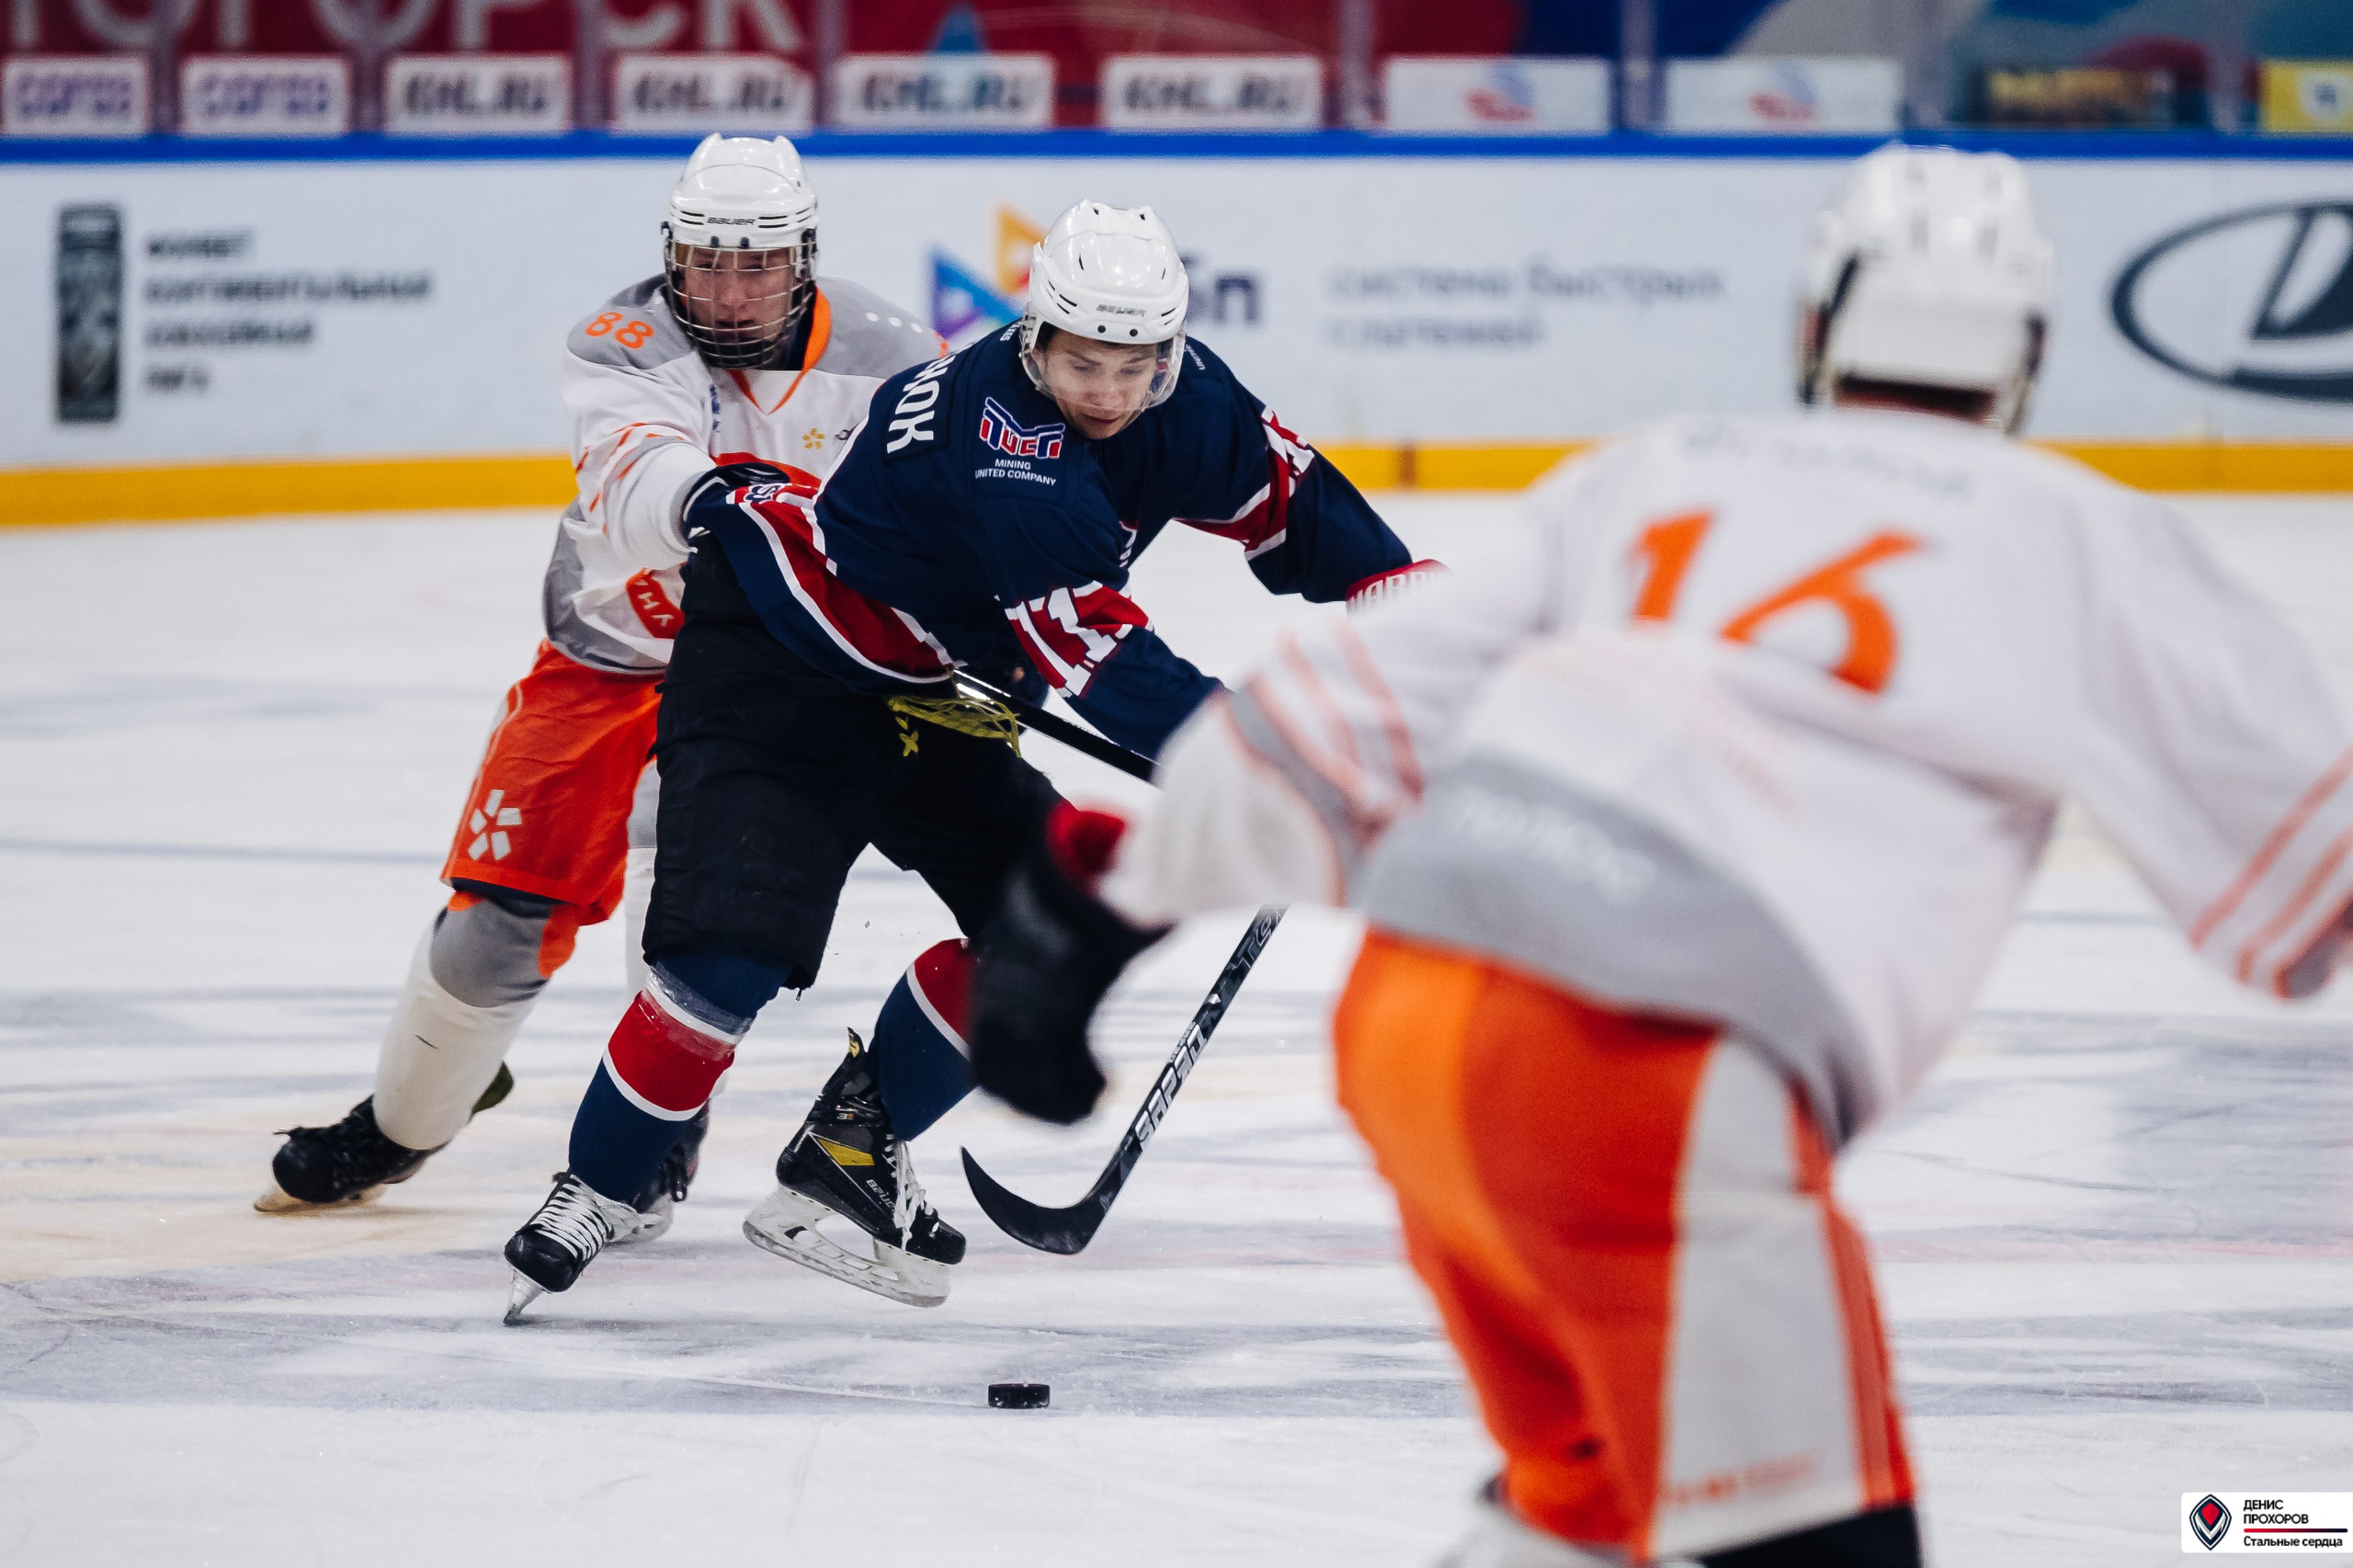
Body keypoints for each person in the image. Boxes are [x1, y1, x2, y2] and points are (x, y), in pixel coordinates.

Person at [964, 146, 2353, 1566]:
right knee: (1820, 1537)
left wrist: (1097, 914)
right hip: (1656, 1085)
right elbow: (2304, 908)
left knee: (1589, 1501)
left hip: (1412, 1018)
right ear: (2032, 355)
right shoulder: (2087, 543)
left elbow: (1333, 714)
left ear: (1817, 324)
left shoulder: (1658, 470)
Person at [500, 200, 1437, 1319]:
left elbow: (1297, 498)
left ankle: (852, 1151)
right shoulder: (1008, 442)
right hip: (788, 657)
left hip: (940, 685)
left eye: (1132, 365)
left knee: (1048, 926)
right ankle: (595, 1186)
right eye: (1080, 360)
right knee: (731, 954)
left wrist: (1413, 616)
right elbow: (1095, 649)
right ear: (1034, 340)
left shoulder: (1191, 398)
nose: (1104, 387)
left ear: (1171, 354)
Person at [258, 133, 946, 1244]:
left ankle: (657, 1145)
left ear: (802, 258)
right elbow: (634, 473)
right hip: (605, 663)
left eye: (755, 263)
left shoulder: (894, 359)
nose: (726, 291)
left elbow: (933, 525)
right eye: (706, 262)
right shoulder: (621, 338)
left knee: (686, 924)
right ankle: (403, 1120)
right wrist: (726, 502)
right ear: (672, 257)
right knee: (493, 930)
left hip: (765, 687)